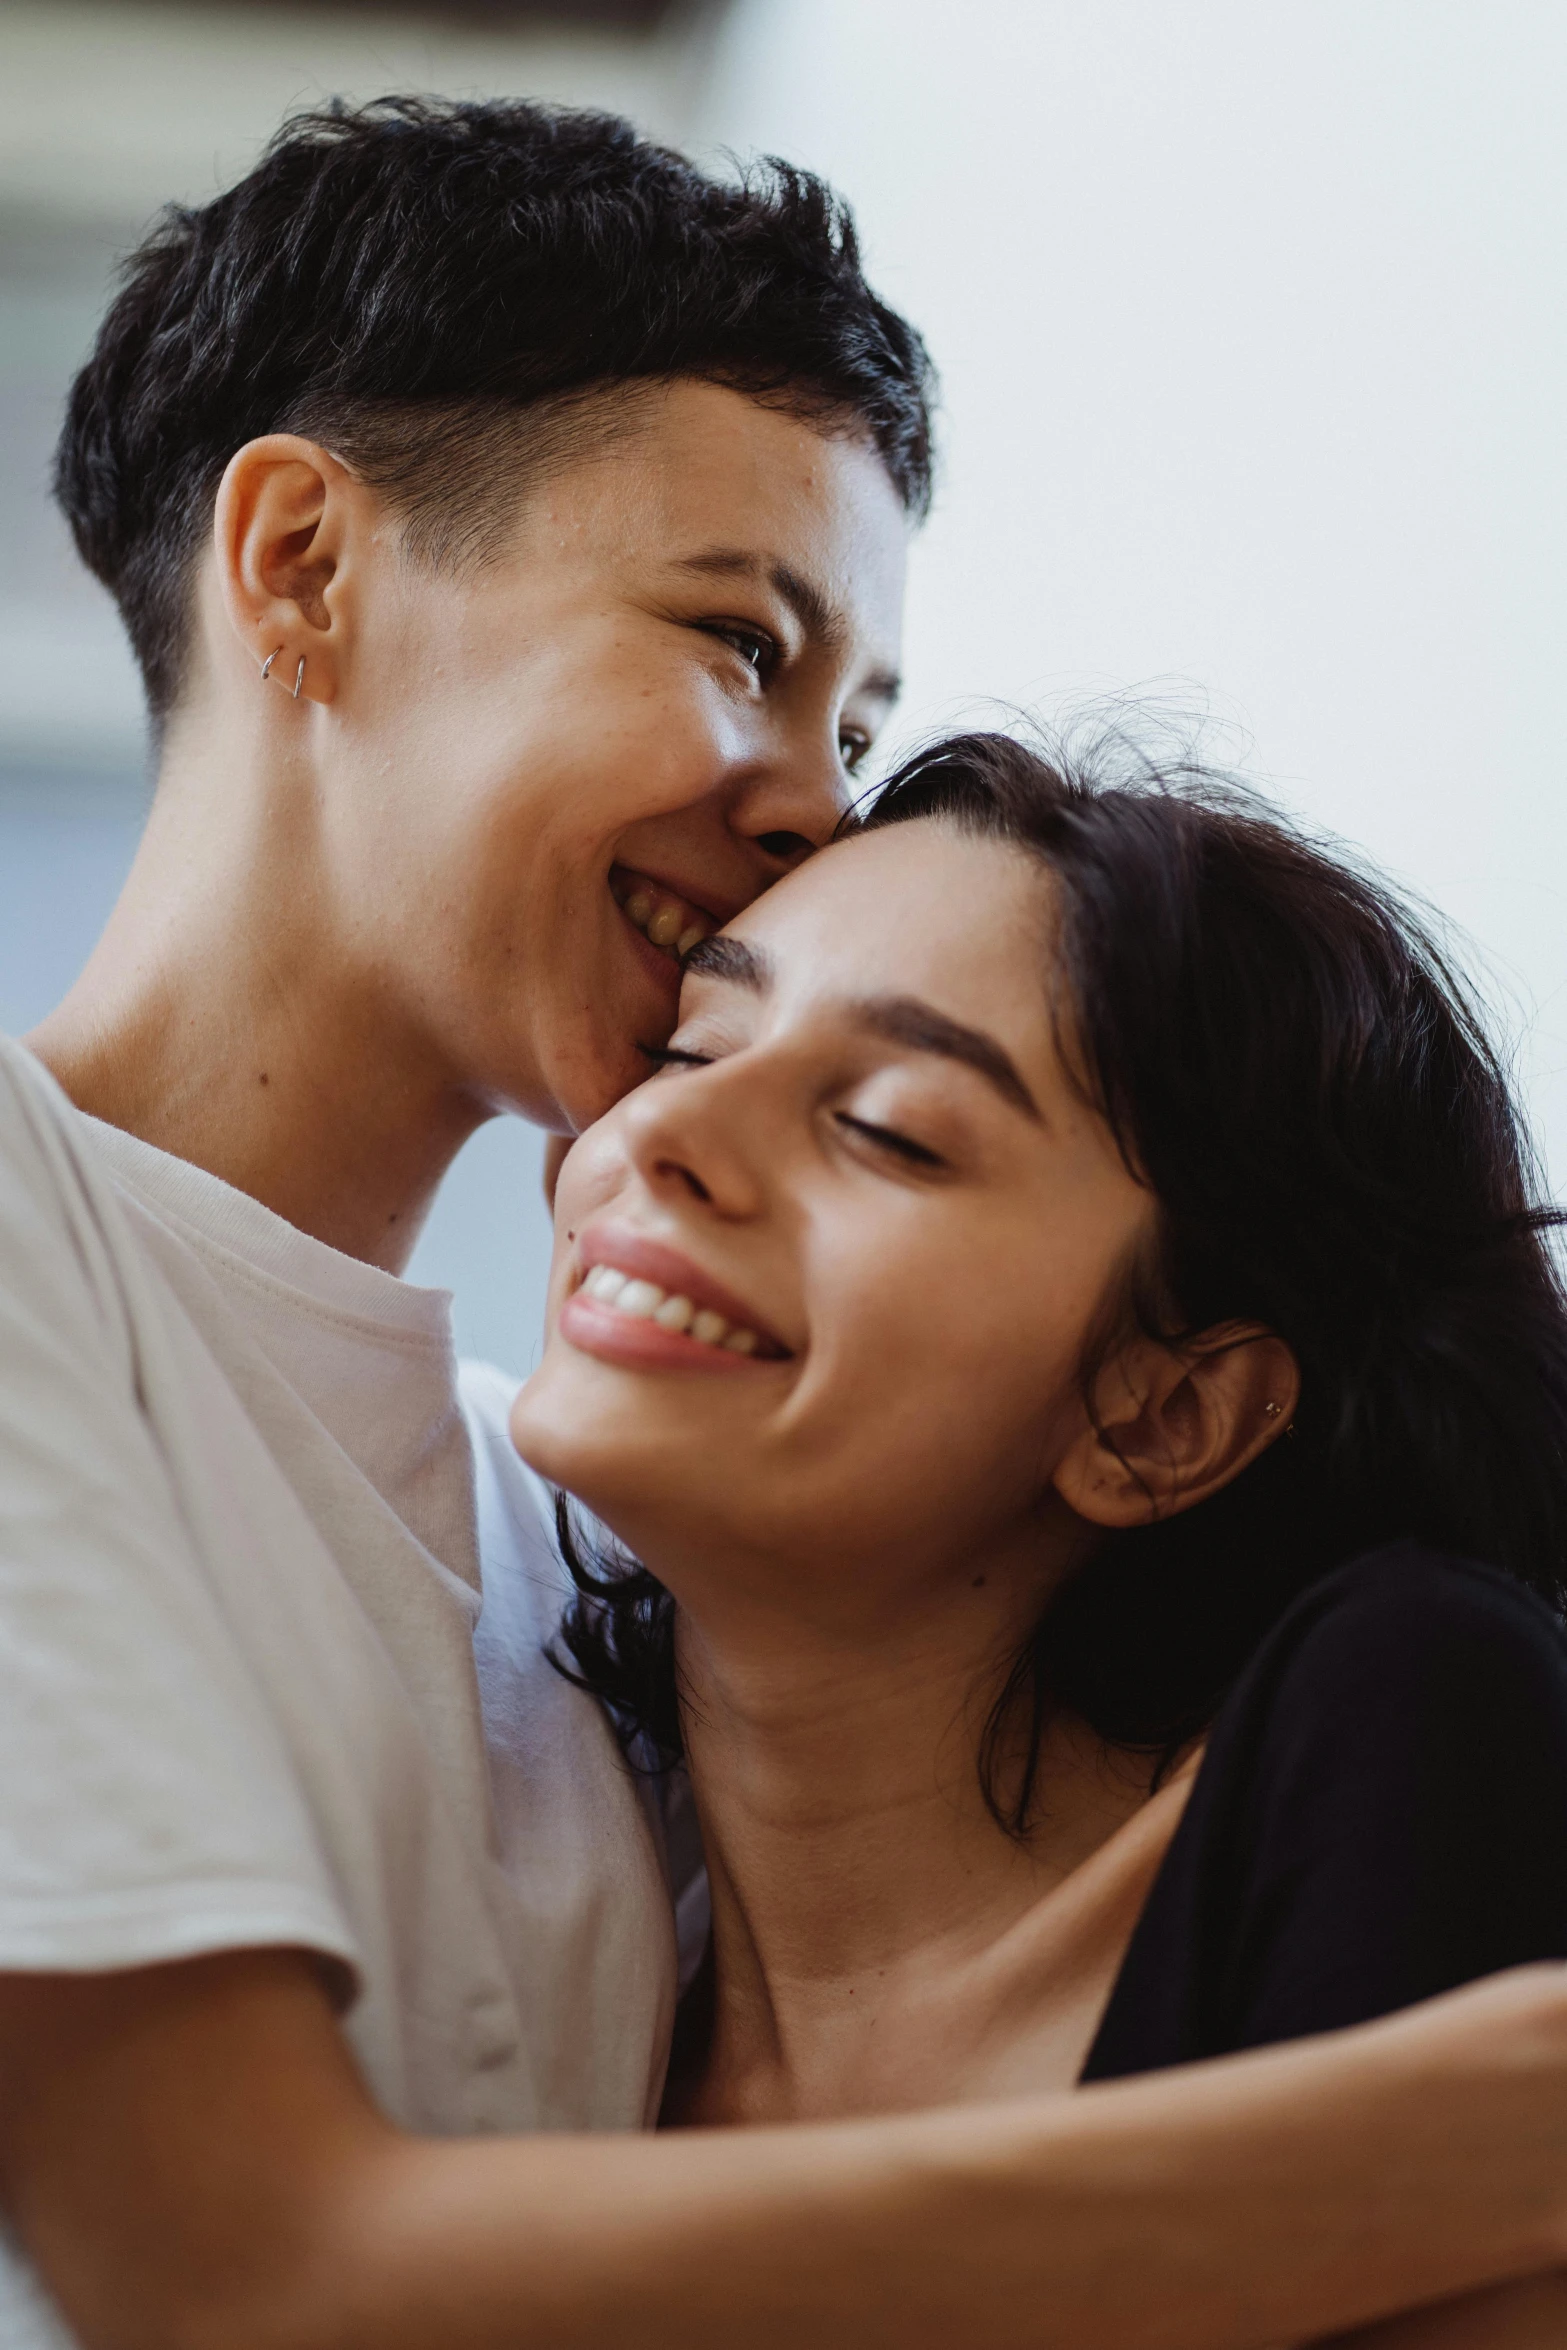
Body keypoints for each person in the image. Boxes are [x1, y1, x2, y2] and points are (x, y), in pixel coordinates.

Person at [1, 84, 1566, 2350]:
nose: (813, 800)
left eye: (862, 715)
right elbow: (239, 2267)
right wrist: (1456, 2127)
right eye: (744, 641)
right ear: (302, 564)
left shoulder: (578, 1542)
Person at [514, 730, 1567, 2137]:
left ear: (1162, 1415)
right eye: (690, 1043)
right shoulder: (542, 1980)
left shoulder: (1411, 1720)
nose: (661, 1130)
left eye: (888, 1129)